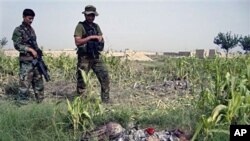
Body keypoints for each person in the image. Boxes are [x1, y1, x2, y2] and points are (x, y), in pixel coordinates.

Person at [74, 5, 110, 103]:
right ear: (85, 15)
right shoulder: (80, 26)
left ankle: (105, 100)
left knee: (105, 76)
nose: (91, 17)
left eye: (93, 15)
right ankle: (80, 103)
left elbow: (101, 37)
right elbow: (77, 42)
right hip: (84, 57)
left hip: (96, 56)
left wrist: (100, 39)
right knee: (82, 80)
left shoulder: (96, 26)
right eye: (89, 15)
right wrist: (90, 37)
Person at [12, 9, 44, 103]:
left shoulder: (31, 30)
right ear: (24, 17)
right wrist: (29, 49)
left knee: (39, 84)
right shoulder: (18, 30)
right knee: (24, 86)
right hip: (26, 62)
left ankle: (40, 105)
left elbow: (35, 44)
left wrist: (38, 52)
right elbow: (17, 45)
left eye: (32, 19)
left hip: (35, 61)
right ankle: (21, 107)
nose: (31, 20)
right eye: (29, 18)